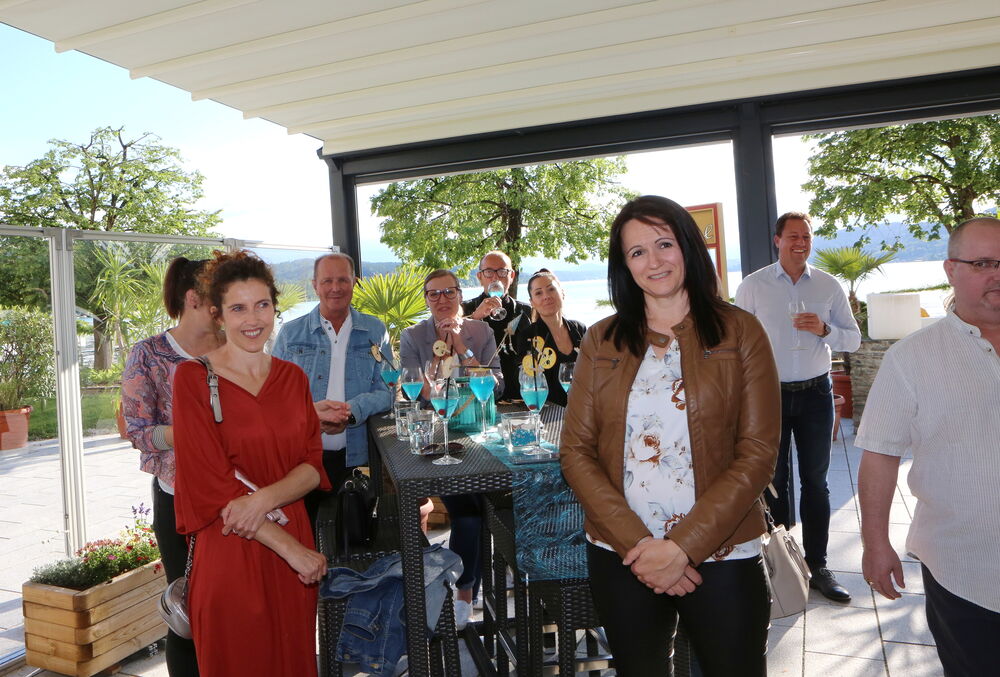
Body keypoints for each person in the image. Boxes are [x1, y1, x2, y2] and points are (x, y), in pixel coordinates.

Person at [561, 195, 779, 676]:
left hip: (722, 551)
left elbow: (758, 453)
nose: (654, 261)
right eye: (637, 252)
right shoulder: (601, 339)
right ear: (624, 265)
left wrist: (681, 548)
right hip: (624, 554)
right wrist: (642, 547)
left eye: (664, 244)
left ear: (688, 246)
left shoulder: (741, 331)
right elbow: (575, 452)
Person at [172, 250, 329, 677]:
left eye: (261, 305)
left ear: (275, 308)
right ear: (218, 315)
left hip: (289, 539)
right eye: (238, 308)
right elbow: (210, 484)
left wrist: (259, 501)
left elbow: (312, 465)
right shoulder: (192, 380)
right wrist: (293, 551)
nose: (252, 319)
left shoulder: (293, 378)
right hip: (232, 549)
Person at [856, 217, 1000, 677]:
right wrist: (876, 544)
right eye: (983, 263)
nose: (996, 274)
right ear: (950, 269)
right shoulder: (911, 358)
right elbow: (880, 456)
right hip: (964, 575)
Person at [735, 211, 861, 602]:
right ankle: (783, 565)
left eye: (806, 236)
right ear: (777, 240)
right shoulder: (753, 286)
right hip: (768, 396)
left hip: (816, 395)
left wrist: (824, 329)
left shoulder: (828, 285)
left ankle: (818, 565)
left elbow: (853, 340)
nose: (800, 243)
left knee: (816, 482)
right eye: (793, 236)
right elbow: (736, 343)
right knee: (775, 482)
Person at [121, 256, 221, 677]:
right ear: (194, 298)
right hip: (179, 499)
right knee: (188, 611)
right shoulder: (149, 354)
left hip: (243, 498)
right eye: (221, 295)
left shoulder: (237, 346)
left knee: (235, 607)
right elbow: (137, 431)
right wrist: (188, 434)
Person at [399, 269, 502, 629]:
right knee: (467, 510)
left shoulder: (482, 332)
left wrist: (461, 346)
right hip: (438, 438)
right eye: (434, 294)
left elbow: (496, 386)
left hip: (479, 434)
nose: (442, 299)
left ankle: (464, 593)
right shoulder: (413, 336)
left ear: (460, 294)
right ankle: (459, 592)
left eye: (449, 292)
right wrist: (436, 354)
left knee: (475, 509)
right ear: (426, 299)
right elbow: (419, 391)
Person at [271, 252, 392, 529]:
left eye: (342, 280)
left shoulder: (375, 330)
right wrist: (311, 416)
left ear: (354, 282)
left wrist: (350, 413)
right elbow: (273, 398)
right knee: (305, 534)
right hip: (300, 459)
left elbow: (388, 390)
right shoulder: (290, 334)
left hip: (357, 459)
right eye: (327, 281)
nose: (335, 288)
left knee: (353, 537)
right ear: (315, 285)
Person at [461, 250, 531, 401]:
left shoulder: (526, 312)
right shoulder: (464, 310)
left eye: (502, 271)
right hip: (477, 399)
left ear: (512, 276)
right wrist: (475, 318)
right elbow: (453, 349)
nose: (495, 277)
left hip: (521, 398)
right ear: (480, 277)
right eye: (488, 272)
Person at [514, 268, 586, 407]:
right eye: (538, 293)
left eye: (551, 289)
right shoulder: (528, 336)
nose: (546, 296)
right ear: (532, 302)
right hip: (549, 412)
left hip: (584, 409)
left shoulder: (580, 329)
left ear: (562, 292)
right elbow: (525, 381)